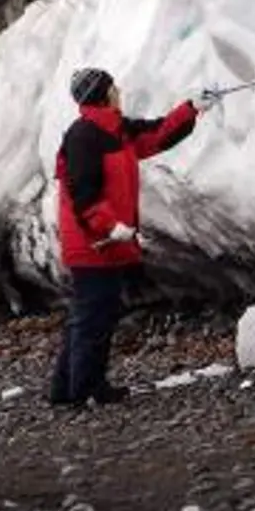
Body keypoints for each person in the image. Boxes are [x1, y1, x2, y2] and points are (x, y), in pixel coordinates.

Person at [49, 66, 206, 407]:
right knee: (95, 317)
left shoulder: (116, 130)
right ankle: (86, 391)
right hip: (93, 243)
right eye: (112, 87)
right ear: (102, 94)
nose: (118, 90)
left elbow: (157, 134)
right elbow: (84, 196)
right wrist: (108, 227)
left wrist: (192, 108)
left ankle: (66, 390)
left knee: (89, 315)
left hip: (105, 241)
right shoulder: (83, 136)